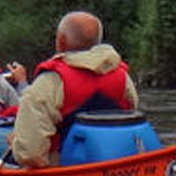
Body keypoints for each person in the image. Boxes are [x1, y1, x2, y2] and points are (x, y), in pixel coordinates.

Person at [9, 10, 139, 168]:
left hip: (65, 168)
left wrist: (16, 144)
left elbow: (31, 155)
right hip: (115, 164)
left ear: (61, 41)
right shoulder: (123, 77)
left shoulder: (50, 81)